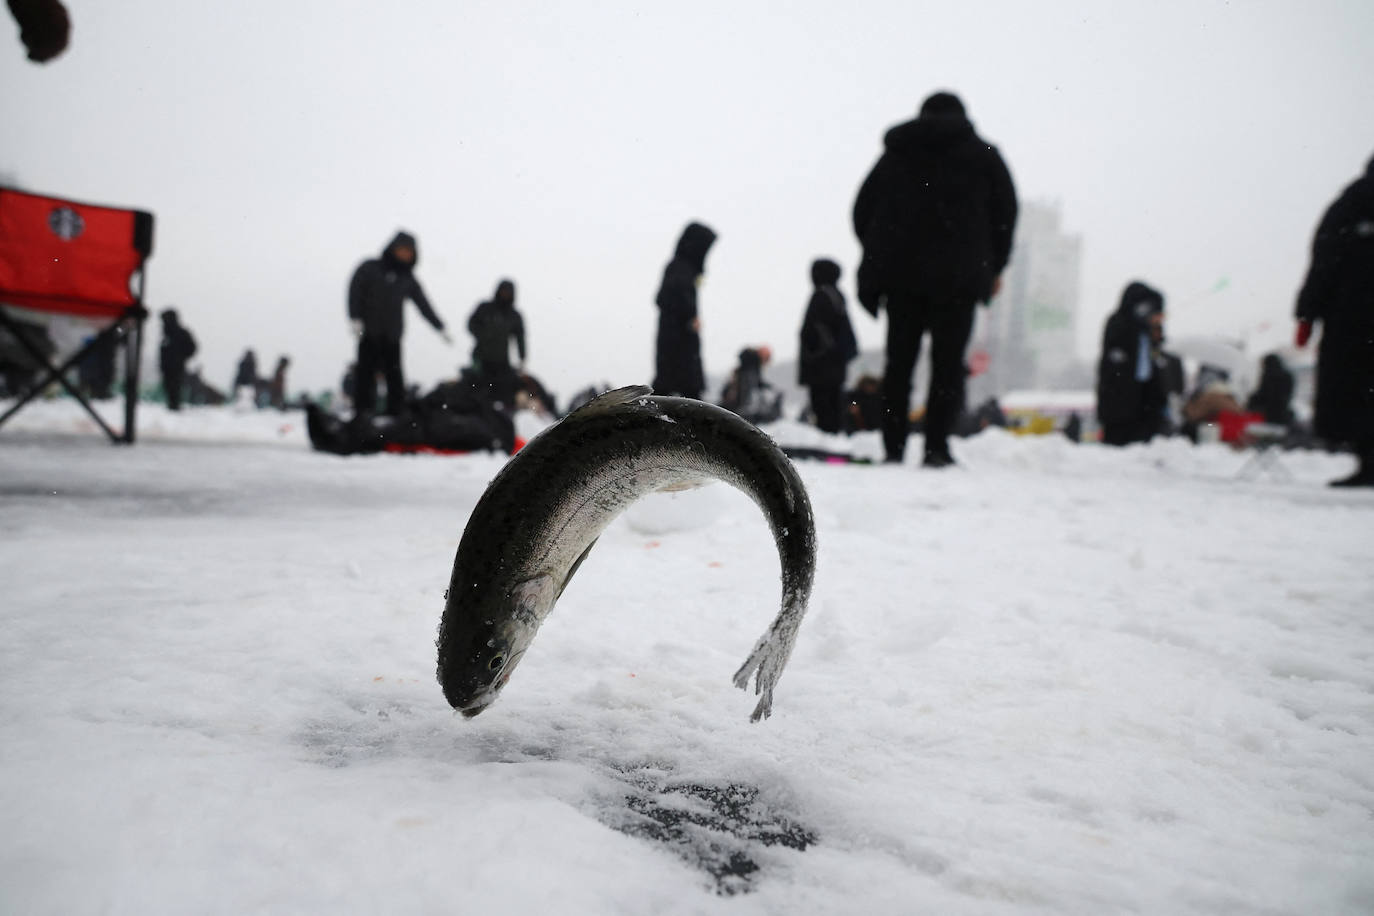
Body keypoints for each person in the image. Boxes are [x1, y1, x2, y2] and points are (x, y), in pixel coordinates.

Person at [852, 91, 1018, 466]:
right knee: (947, 367)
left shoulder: (896, 155)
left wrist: (883, 254)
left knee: (899, 366)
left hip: (902, 281)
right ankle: (937, 447)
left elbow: (862, 211)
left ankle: (893, 447)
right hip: (958, 282)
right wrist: (993, 266)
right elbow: (1005, 215)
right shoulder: (983, 157)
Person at [1295, 155, 1374, 487]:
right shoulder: (1354, 204)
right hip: (1353, 318)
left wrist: (1307, 313)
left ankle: (1367, 456)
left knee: (1356, 391)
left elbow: (1325, 258)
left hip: (1352, 321)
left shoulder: (1352, 202)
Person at [347, 231, 451, 416]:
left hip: (392, 336)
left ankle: (396, 415)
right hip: (369, 333)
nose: (405, 254)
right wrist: (354, 317)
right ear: (393, 248)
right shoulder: (370, 268)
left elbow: (423, 304)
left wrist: (439, 326)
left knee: (394, 377)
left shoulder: (408, 278)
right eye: (402, 249)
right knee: (365, 374)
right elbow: (355, 289)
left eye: (409, 251)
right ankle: (362, 414)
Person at [1095, 281, 1170, 446]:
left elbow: (1156, 366)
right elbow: (1116, 363)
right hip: (1120, 406)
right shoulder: (1119, 324)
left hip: (1146, 404)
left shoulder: (1149, 334)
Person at [653, 222, 716, 399]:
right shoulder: (679, 267)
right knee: (674, 385)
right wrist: (690, 317)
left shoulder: (684, 268)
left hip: (681, 341)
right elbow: (664, 298)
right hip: (676, 340)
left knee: (679, 386)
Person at [798, 258, 858, 433]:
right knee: (832, 405)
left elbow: (813, 331)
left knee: (824, 407)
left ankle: (828, 441)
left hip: (822, 366)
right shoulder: (836, 295)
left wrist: (813, 355)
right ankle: (833, 438)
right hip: (833, 365)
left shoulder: (822, 295)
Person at [467, 279, 527, 407]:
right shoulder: (485, 308)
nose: (505, 295)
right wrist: (482, 334)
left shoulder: (514, 315)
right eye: (503, 291)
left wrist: (522, 357)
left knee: (504, 389)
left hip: (502, 361)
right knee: (475, 387)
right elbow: (471, 323)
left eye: (508, 292)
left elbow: (520, 337)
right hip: (480, 358)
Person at [719, 346, 783, 424]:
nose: (765, 362)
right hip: (739, 406)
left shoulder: (745, 367)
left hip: (735, 405)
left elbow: (757, 383)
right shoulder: (751, 369)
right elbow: (748, 390)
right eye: (766, 359)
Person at [158, 308, 197, 411]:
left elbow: (192, 347)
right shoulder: (166, 334)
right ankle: (172, 405)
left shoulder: (181, 333)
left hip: (177, 366)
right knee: (168, 386)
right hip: (167, 367)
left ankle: (174, 406)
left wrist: (181, 357)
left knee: (174, 386)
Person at [1245, 353, 1295, 427]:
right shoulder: (1288, 375)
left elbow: (1263, 393)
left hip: (1268, 413)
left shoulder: (1268, 374)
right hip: (1283, 412)